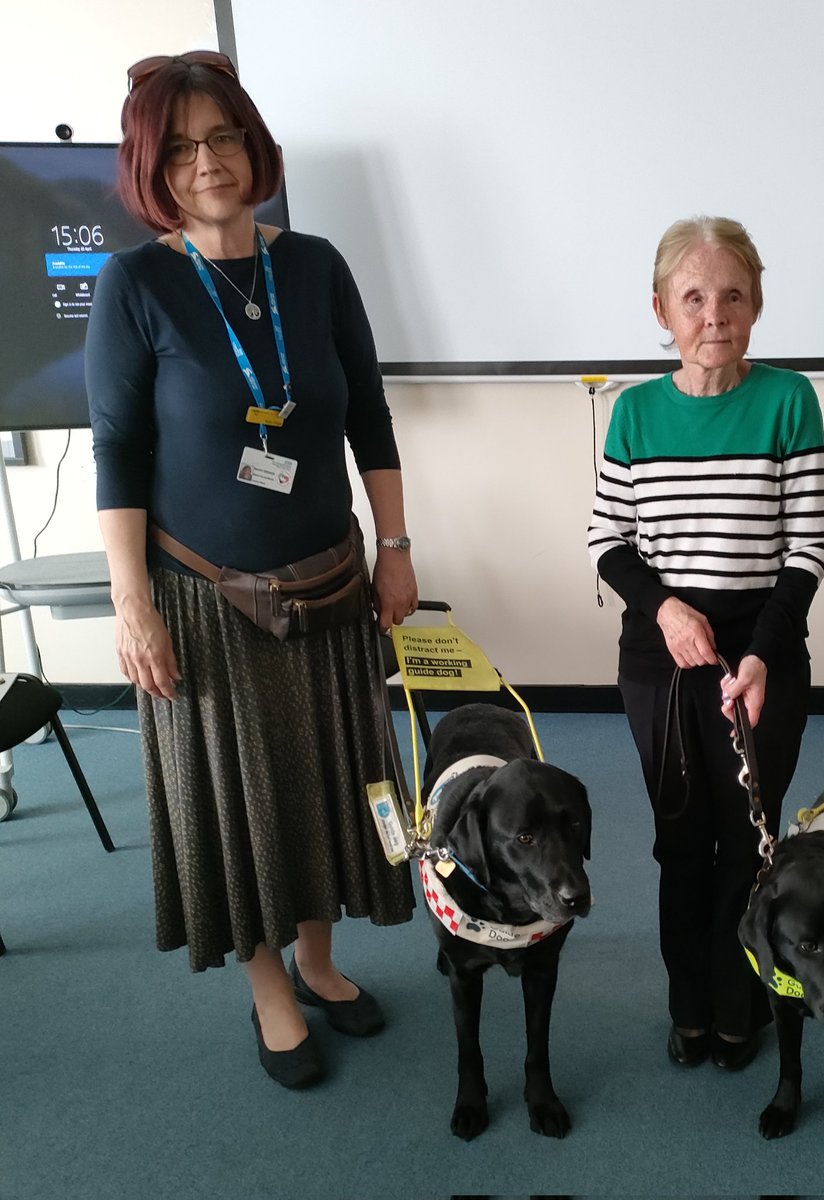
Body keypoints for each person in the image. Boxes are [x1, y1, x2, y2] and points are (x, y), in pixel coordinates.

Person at [85, 50, 419, 1089]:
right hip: (204, 599)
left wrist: (396, 547)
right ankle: (270, 984)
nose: (207, 162)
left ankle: (319, 961)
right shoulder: (136, 283)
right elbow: (116, 452)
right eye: (179, 148)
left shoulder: (315, 265)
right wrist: (133, 604)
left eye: (222, 136)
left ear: (252, 144)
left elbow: (370, 416)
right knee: (247, 805)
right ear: (154, 170)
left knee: (332, 784)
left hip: (332, 584)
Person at [587, 216, 824, 1071]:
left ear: (756, 305)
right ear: (662, 310)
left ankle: (738, 1009)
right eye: (692, 297)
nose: (713, 314)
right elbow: (607, 540)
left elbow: (807, 546)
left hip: (764, 650)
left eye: (731, 295)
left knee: (746, 842)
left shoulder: (789, 400)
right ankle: (688, 1010)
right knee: (680, 843)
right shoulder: (632, 411)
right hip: (661, 660)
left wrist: (758, 654)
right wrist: (664, 609)